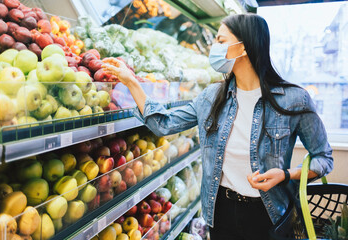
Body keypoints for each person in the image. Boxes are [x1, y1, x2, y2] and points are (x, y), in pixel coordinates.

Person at [103, 13, 333, 240]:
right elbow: (163, 124)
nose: (214, 47)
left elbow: (323, 158)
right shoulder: (212, 97)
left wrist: (285, 175)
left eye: (220, 41)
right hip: (221, 212)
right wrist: (131, 82)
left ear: (243, 48)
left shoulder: (294, 99)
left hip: (268, 214)